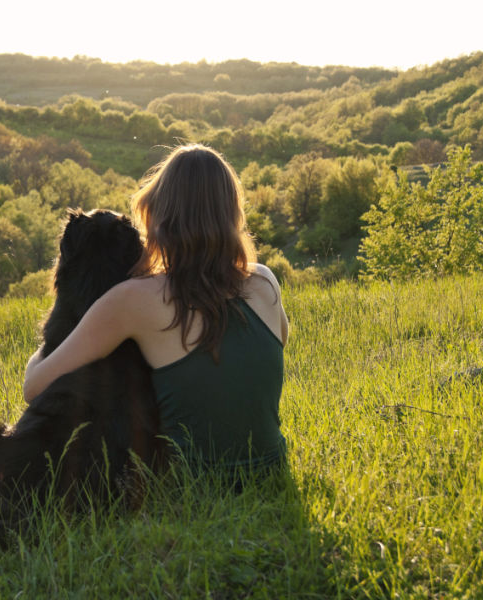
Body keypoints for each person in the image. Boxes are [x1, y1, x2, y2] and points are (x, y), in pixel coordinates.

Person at [23, 143, 289, 481]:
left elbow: (34, 387)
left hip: (192, 488)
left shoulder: (133, 300)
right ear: (232, 216)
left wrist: (46, 348)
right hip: (273, 471)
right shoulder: (265, 282)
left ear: (159, 216)